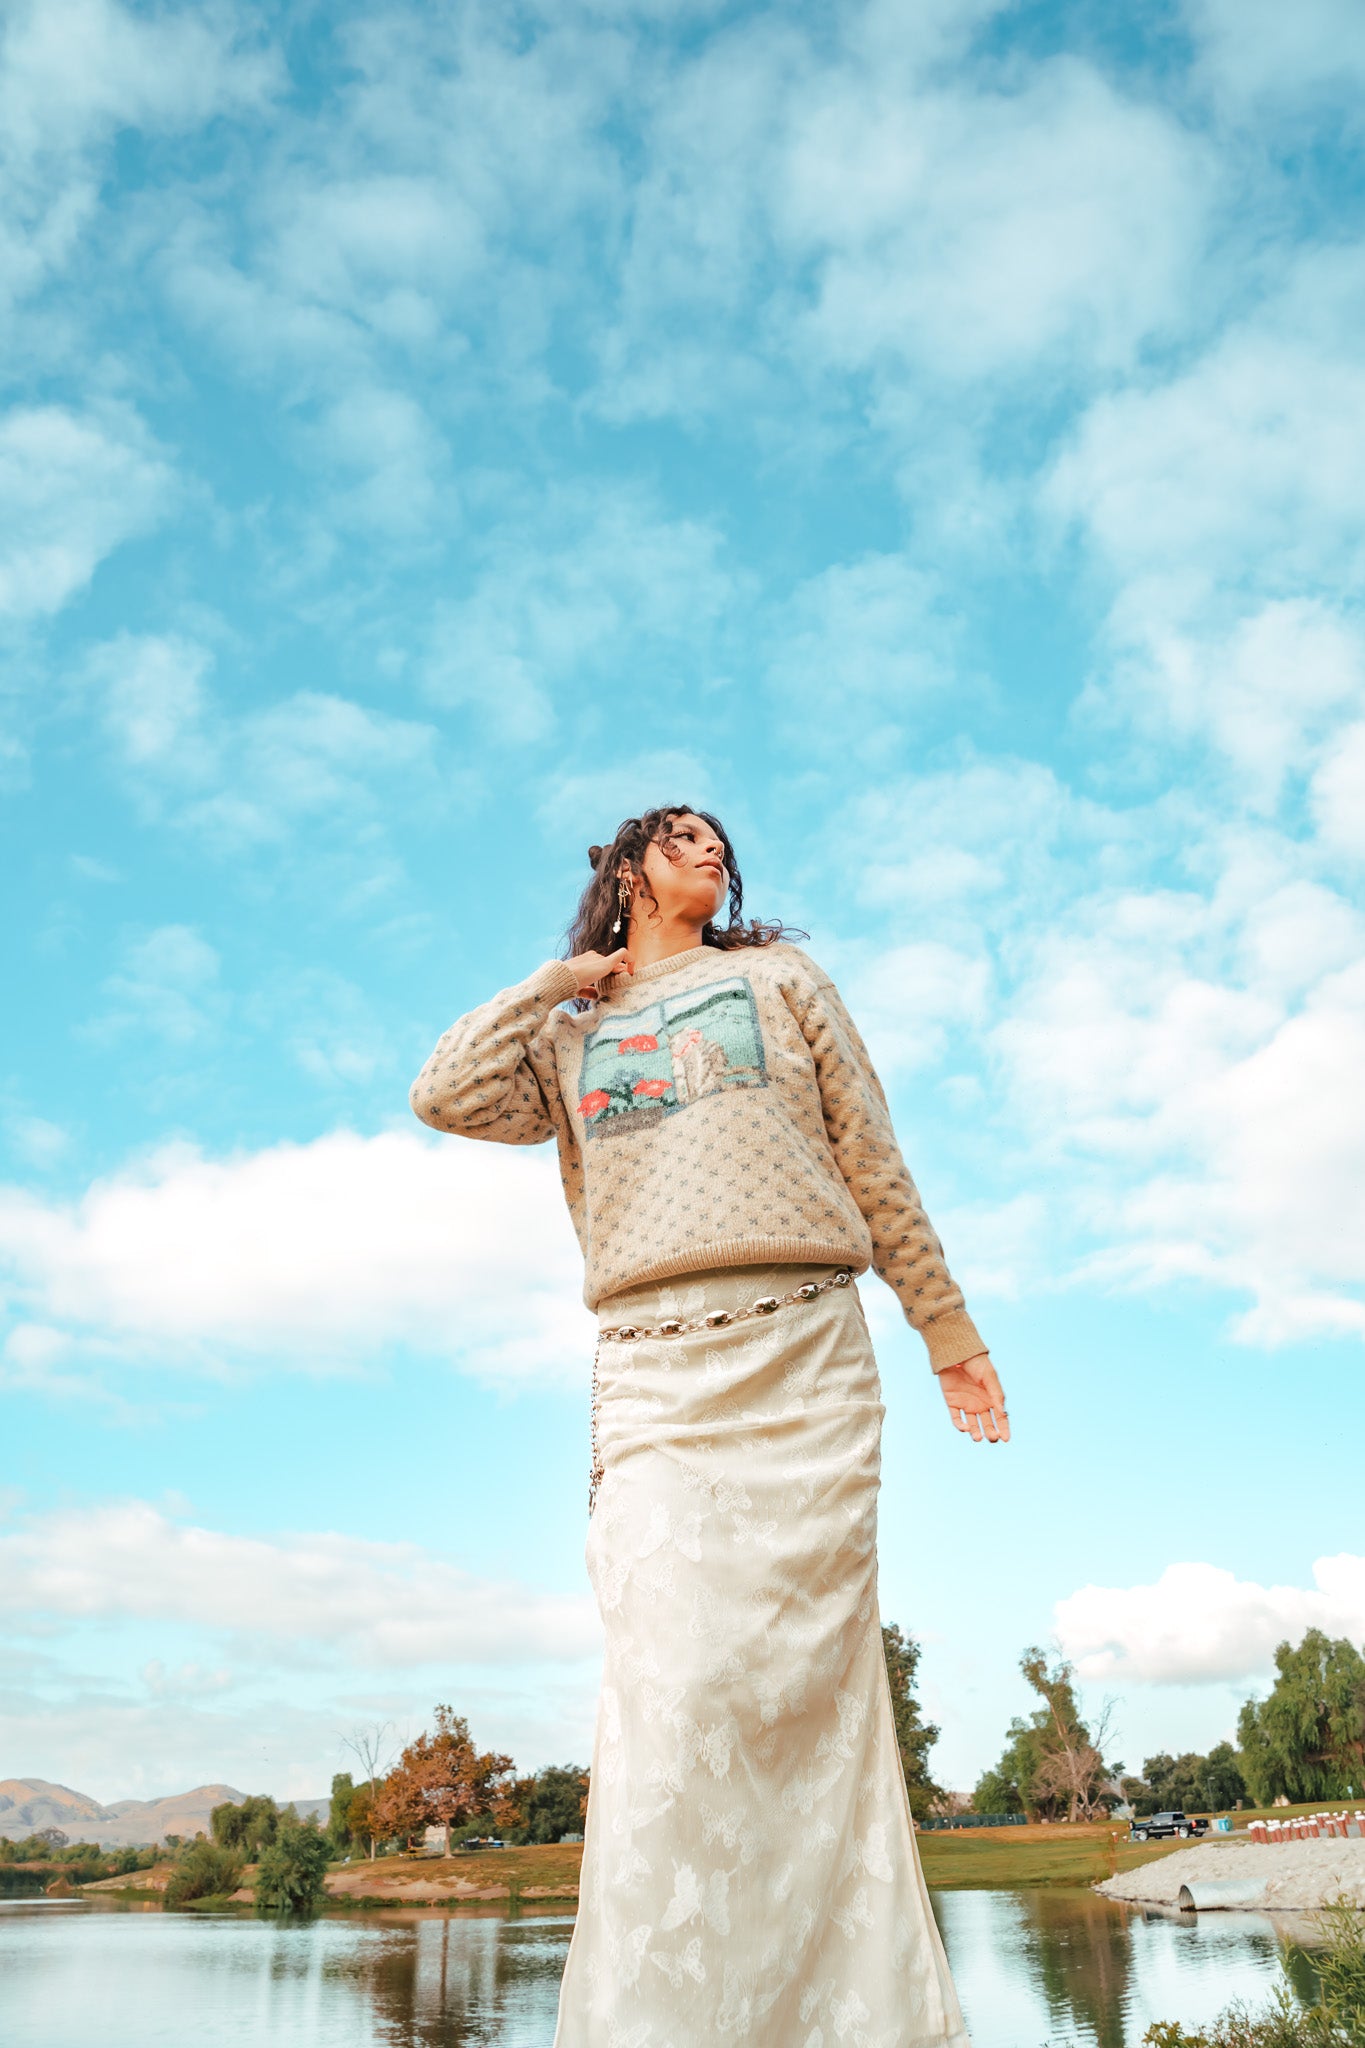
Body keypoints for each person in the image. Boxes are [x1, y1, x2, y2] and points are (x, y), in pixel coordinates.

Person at [410, 806, 1008, 2048]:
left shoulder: (780, 977)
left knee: (810, 1700)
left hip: (802, 1356)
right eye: (679, 834)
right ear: (628, 868)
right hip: (654, 1380)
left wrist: (949, 1328)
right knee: (670, 1689)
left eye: (720, 837)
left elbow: (874, 1158)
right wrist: (560, 980)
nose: (710, 847)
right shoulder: (567, 1035)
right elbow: (442, 1090)